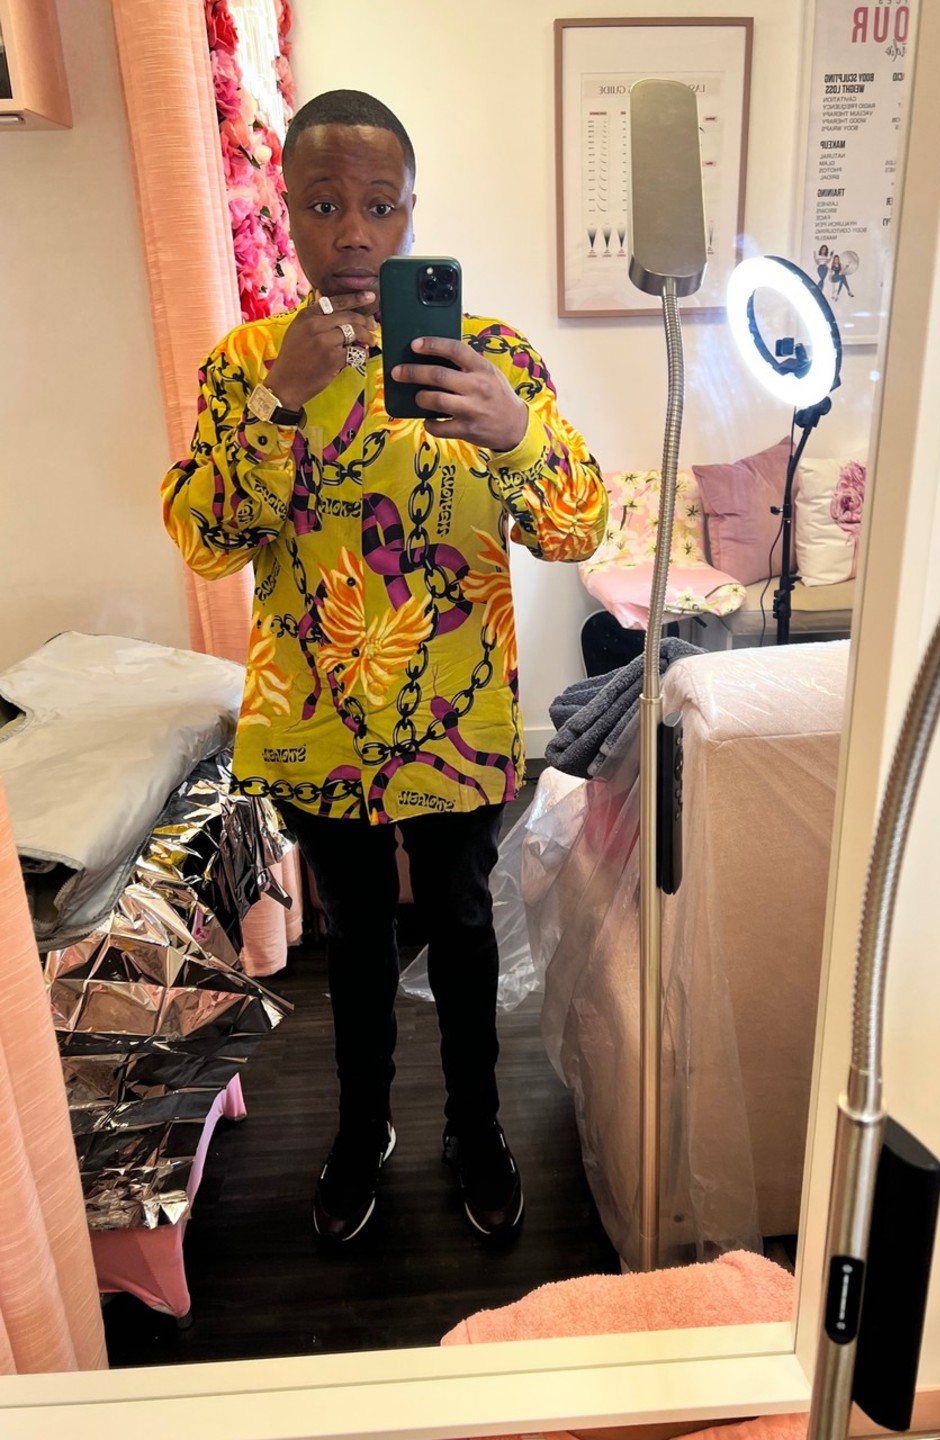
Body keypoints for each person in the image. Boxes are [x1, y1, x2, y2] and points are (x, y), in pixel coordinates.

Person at [162, 89, 607, 1245]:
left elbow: (576, 528)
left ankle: (477, 1129)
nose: (353, 233)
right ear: (288, 215)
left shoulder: (492, 358)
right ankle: (362, 1132)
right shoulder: (246, 364)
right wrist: (279, 402)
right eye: (324, 206)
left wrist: (518, 431)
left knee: (461, 928)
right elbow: (207, 538)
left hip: (458, 710)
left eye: (378, 205)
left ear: (412, 212)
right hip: (315, 715)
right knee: (356, 943)